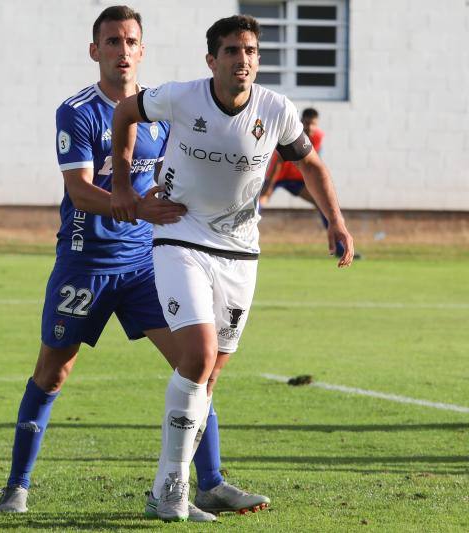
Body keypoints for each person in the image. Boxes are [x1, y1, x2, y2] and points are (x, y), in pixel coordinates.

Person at [0, 6, 268, 521]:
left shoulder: (162, 110)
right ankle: (17, 485)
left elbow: (178, 173)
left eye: (131, 42)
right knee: (53, 373)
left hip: (148, 264)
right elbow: (78, 190)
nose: (123, 51)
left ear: (143, 51)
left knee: (198, 366)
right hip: (85, 265)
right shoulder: (77, 111)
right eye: (113, 42)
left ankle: (207, 483)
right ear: (95, 50)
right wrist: (138, 205)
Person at [110, 15, 354, 521]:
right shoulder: (181, 96)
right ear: (211, 60)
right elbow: (124, 114)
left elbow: (310, 165)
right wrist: (122, 190)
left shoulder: (276, 110)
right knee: (196, 355)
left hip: (241, 251)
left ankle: (168, 487)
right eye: (231, 51)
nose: (242, 60)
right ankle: (173, 490)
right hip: (180, 234)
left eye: (250, 51)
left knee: (208, 377)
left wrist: (335, 221)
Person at [259, 108, 355, 258]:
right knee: (258, 203)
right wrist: (269, 188)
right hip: (277, 177)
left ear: (317, 124)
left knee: (323, 204)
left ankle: (340, 249)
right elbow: (278, 161)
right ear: (301, 122)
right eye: (307, 123)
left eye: (313, 124)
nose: (310, 127)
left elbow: (314, 162)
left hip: (297, 180)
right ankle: (239, 239)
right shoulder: (293, 132)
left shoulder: (318, 137)